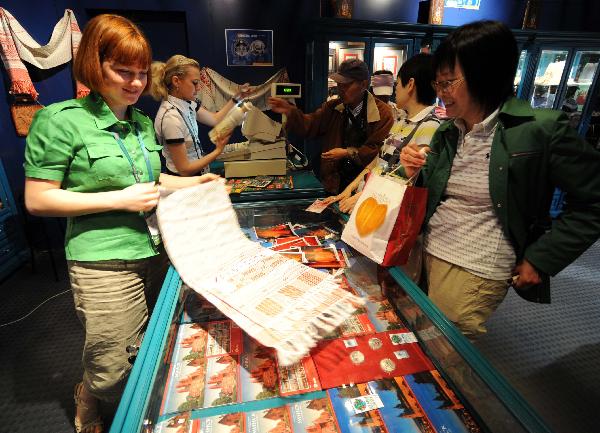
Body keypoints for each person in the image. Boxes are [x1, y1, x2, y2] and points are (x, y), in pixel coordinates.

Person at [24, 15, 220, 433]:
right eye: (122, 71)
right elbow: (37, 199)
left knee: (153, 343)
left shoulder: (142, 122)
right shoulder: (59, 120)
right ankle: (87, 395)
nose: (134, 83)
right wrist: (120, 200)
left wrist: (189, 181)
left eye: (141, 73)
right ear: (96, 65)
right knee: (114, 364)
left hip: (157, 248)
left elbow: (148, 181)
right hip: (103, 259)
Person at [400, 20, 600, 340]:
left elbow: (593, 202)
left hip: (474, 268)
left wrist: (541, 258)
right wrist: (415, 171)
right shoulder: (448, 130)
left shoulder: (540, 128)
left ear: (484, 75)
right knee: (413, 344)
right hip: (423, 254)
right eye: (437, 84)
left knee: (444, 364)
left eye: (448, 83)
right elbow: (436, 193)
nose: (440, 94)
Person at [326, 53, 441, 214]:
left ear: (410, 85)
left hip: (379, 208)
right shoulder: (401, 120)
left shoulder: (429, 126)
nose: (395, 90)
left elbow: (405, 180)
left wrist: (362, 196)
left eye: (398, 84)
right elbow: (377, 162)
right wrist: (350, 189)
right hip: (365, 199)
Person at [268, 59, 393, 194]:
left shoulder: (383, 113)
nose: (340, 90)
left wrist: (347, 153)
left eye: (346, 85)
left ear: (363, 84)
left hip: (365, 186)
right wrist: (290, 111)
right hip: (334, 183)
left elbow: (377, 152)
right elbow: (309, 124)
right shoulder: (333, 107)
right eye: (339, 85)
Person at [150, 55, 252, 176]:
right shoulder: (170, 118)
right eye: (195, 83)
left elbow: (215, 119)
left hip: (198, 175)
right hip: (185, 183)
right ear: (176, 81)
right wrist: (218, 151)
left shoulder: (188, 104)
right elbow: (184, 169)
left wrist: (237, 98)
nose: (198, 88)